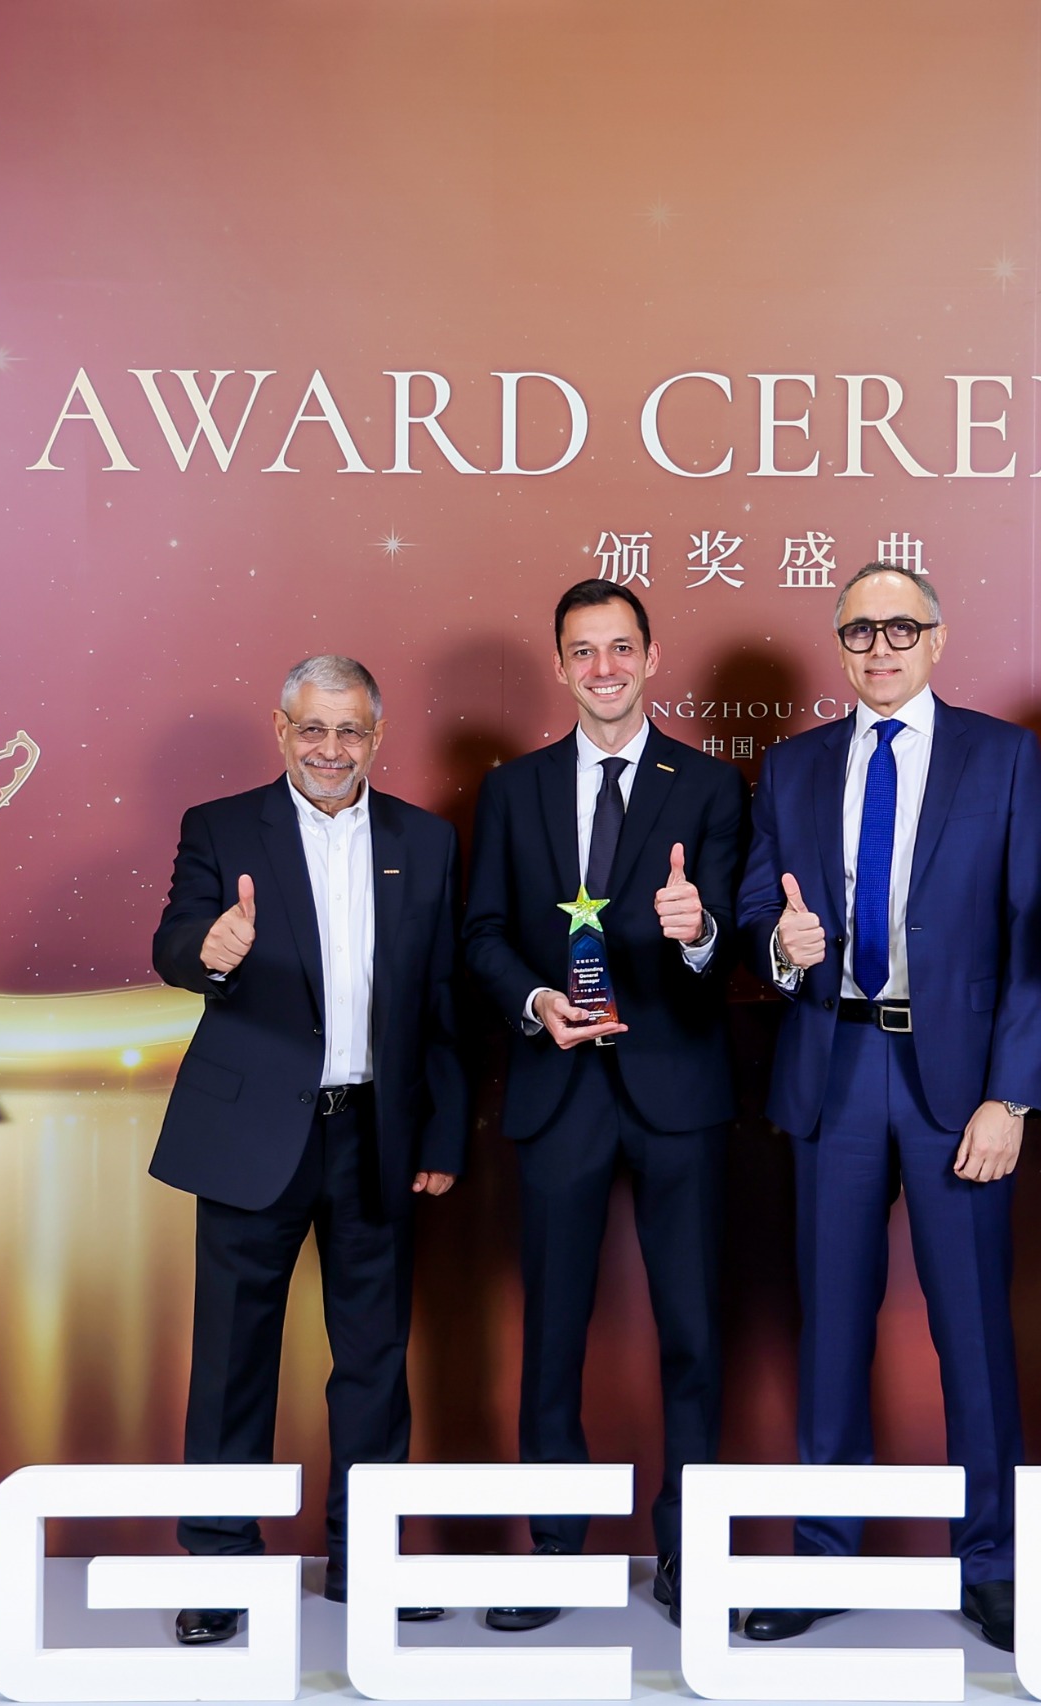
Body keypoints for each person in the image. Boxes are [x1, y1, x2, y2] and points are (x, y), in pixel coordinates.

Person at [734, 562, 1041, 1653]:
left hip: (957, 1083)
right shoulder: (792, 765)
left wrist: (1011, 1094)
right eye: (860, 630)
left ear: (937, 638)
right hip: (833, 1066)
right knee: (830, 1325)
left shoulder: (1002, 756)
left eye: (900, 628)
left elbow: (1031, 940)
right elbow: (757, 907)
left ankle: (994, 1561)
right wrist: (783, 944)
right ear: (839, 644)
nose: (879, 647)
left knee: (973, 1329)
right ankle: (824, 1551)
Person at [148, 654, 467, 1645]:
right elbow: (174, 940)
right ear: (282, 729)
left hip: (377, 1132)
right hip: (253, 1135)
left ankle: (365, 1564)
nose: (332, 749)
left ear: (377, 736)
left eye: (351, 730)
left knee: (374, 1361)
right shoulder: (219, 827)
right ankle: (220, 1567)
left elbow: (441, 997)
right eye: (313, 728)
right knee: (232, 1359)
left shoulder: (424, 839)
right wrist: (208, 950)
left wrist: (441, 1130)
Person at [463, 579, 748, 1628]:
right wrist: (535, 1001)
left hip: (679, 1085)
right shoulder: (513, 789)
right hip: (559, 1088)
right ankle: (554, 1552)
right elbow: (481, 932)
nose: (604, 669)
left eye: (621, 648)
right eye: (583, 651)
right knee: (552, 1333)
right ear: (559, 665)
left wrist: (696, 929)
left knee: (694, 1331)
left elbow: (731, 942)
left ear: (651, 657)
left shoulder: (711, 787)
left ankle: (690, 1552)